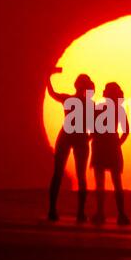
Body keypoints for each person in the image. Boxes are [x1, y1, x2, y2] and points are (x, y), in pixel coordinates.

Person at [47, 67, 95, 223]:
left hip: (69, 136)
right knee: (78, 176)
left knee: (59, 174)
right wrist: (89, 137)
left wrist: (47, 77)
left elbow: (52, 93)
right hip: (77, 138)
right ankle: (78, 213)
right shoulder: (90, 105)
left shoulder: (70, 100)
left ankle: (54, 210)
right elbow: (96, 127)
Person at [90, 82, 131, 226]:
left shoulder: (98, 109)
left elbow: (91, 128)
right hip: (111, 145)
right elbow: (126, 131)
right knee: (116, 182)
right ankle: (121, 214)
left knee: (100, 182)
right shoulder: (119, 110)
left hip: (100, 145)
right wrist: (117, 143)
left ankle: (101, 213)